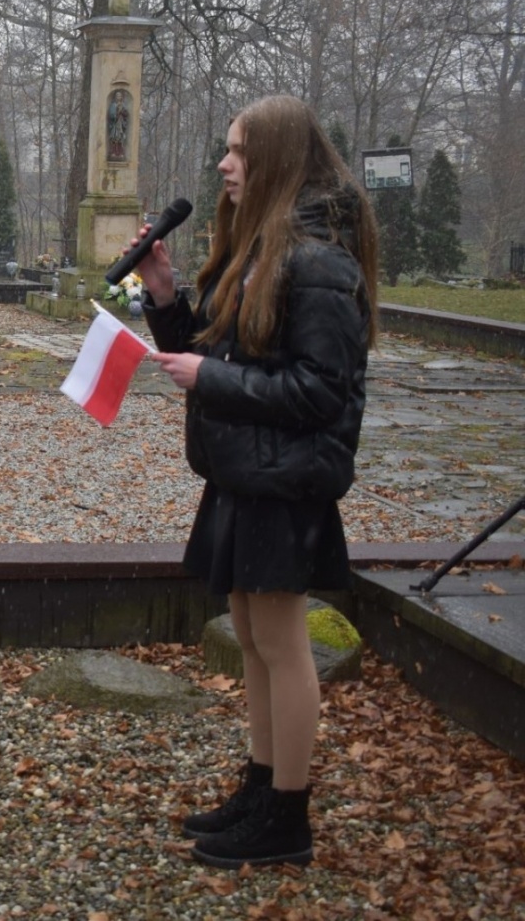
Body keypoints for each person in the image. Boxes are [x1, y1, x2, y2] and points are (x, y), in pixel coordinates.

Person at [136, 94, 378, 869]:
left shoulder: (319, 263)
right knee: (250, 635)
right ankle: (261, 785)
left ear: (274, 159)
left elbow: (320, 392)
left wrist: (209, 377)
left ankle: (287, 817)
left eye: (238, 150)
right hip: (246, 472)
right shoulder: (262, 248)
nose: (224, 164)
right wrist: (165, 297)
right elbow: (219, 351)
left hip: (286, 480)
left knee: (281, 642)